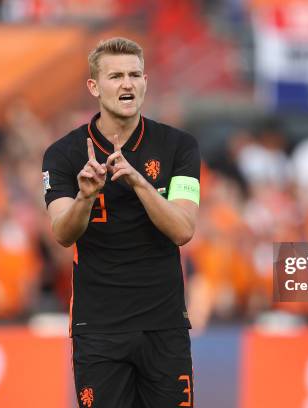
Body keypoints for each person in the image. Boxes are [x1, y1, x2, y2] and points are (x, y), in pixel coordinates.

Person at [42, 37, 200, 408]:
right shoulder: (63, 154)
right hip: (97, 328)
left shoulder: (179, 146)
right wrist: (86, 195)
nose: (127, 84)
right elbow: (63, 234)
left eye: (134, 74)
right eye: (115, 76)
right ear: (94, 87)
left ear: (145, 81)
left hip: (164, 325)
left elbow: (183, 229)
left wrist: (139, 182)